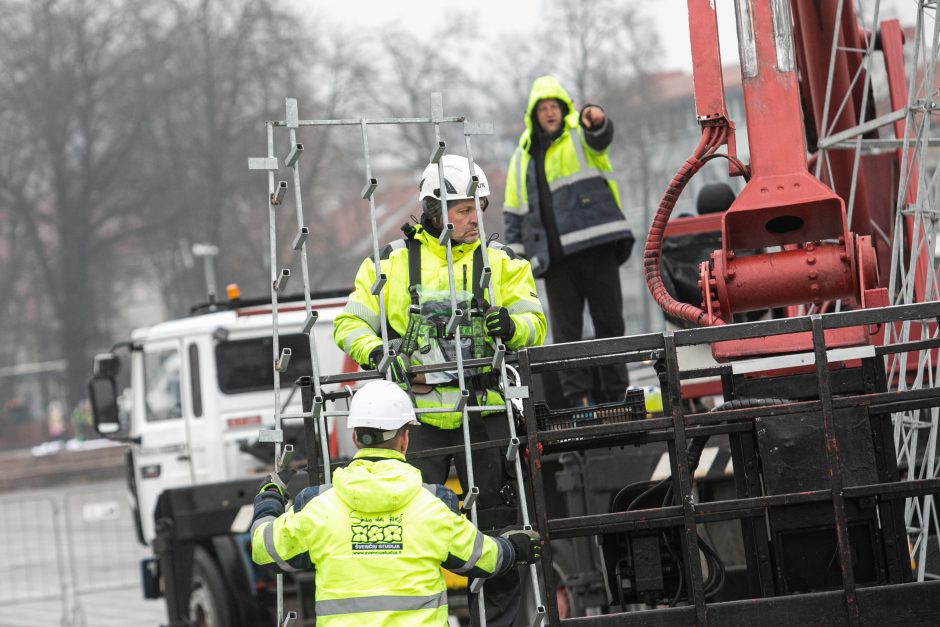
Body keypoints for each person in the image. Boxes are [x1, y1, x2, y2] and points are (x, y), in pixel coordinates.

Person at [333, 154, 546, 626]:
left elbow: (536, 325)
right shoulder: (388, 263)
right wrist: (376, 353)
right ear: (435, 210)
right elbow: (349, 322)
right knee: (408, 536)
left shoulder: (502, 263)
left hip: (487, 414)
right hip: (417, 425)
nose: (476, 219)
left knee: (498, 536)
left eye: (479, 209)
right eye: (465, 209)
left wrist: (511, 326)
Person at [251, 380, 542, 626]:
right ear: (405, 440)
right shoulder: (432, 505)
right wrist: (518, 547)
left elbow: (264, 548)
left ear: (355, 437)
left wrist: (269, 498)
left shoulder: (320, 507)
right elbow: (486, 558)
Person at [503, 75, 635, 408]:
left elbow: (600, 135)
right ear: (534, 115)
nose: (549, 113)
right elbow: (514, 212)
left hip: (597, 249)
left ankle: (616, 396)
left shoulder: (579, 134)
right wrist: (517, 265)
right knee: (566, 335)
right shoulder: (522, 156)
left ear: (564, 110)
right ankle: (579, 399)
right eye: (543, 108)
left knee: (609, 324)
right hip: (556, 261)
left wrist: (596, 118)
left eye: (554, 107)